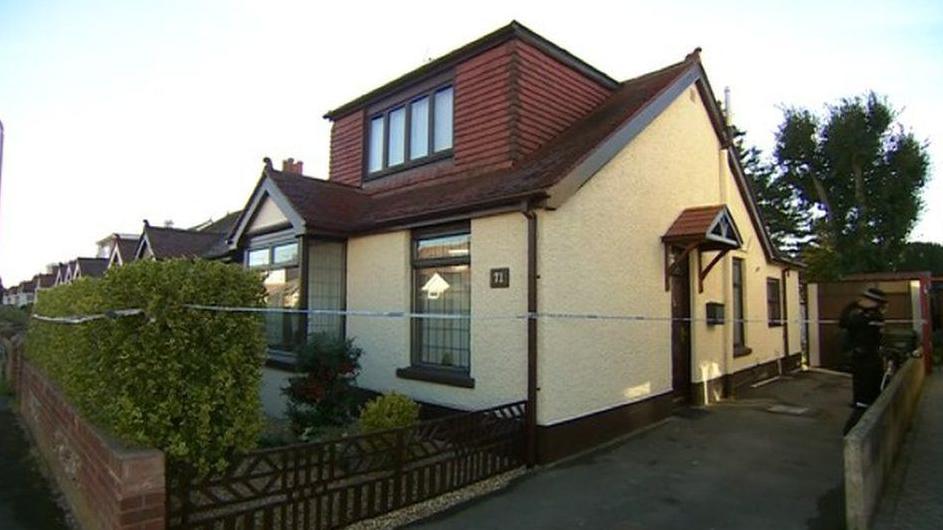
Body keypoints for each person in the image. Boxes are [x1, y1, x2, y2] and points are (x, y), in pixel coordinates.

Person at [840, 287, 888, 434]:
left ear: (874, 303)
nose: (862, 301)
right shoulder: (869, 315)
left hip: (868, 361)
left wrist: (854, 305)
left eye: (866, 299)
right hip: (863, 359)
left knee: (865, 397)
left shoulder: (872, 318)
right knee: (864, 395)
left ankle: (852, 432)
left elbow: (844, 322)